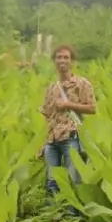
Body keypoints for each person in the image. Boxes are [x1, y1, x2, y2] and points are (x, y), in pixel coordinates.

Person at [38, 44, 97, 206]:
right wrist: (42, 143)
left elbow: (92, 108)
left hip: (71, 136)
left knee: (73, 180)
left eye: (66, 57)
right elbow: (47, 116)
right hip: (52, 139)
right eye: (59, 57)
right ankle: (53, 218)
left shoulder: (82, 84)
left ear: (72, 62)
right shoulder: (51, 88)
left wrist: (68, 104)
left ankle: (73, 216)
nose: (62, 61)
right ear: (54, 62)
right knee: (52, 181)